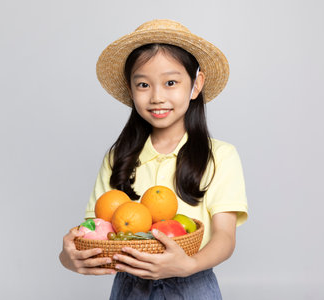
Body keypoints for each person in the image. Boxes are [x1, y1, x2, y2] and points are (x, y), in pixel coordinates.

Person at [59, 19, 248, 299]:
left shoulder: (219, 156)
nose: (157, 97)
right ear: (131, 89)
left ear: (196, 85)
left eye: (171, 82)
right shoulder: (117, 158)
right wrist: (67, 256)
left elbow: (225, 237)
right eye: (144, 84)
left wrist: (189, 265)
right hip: (129, 287)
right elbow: (95, 229)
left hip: (193, 285)